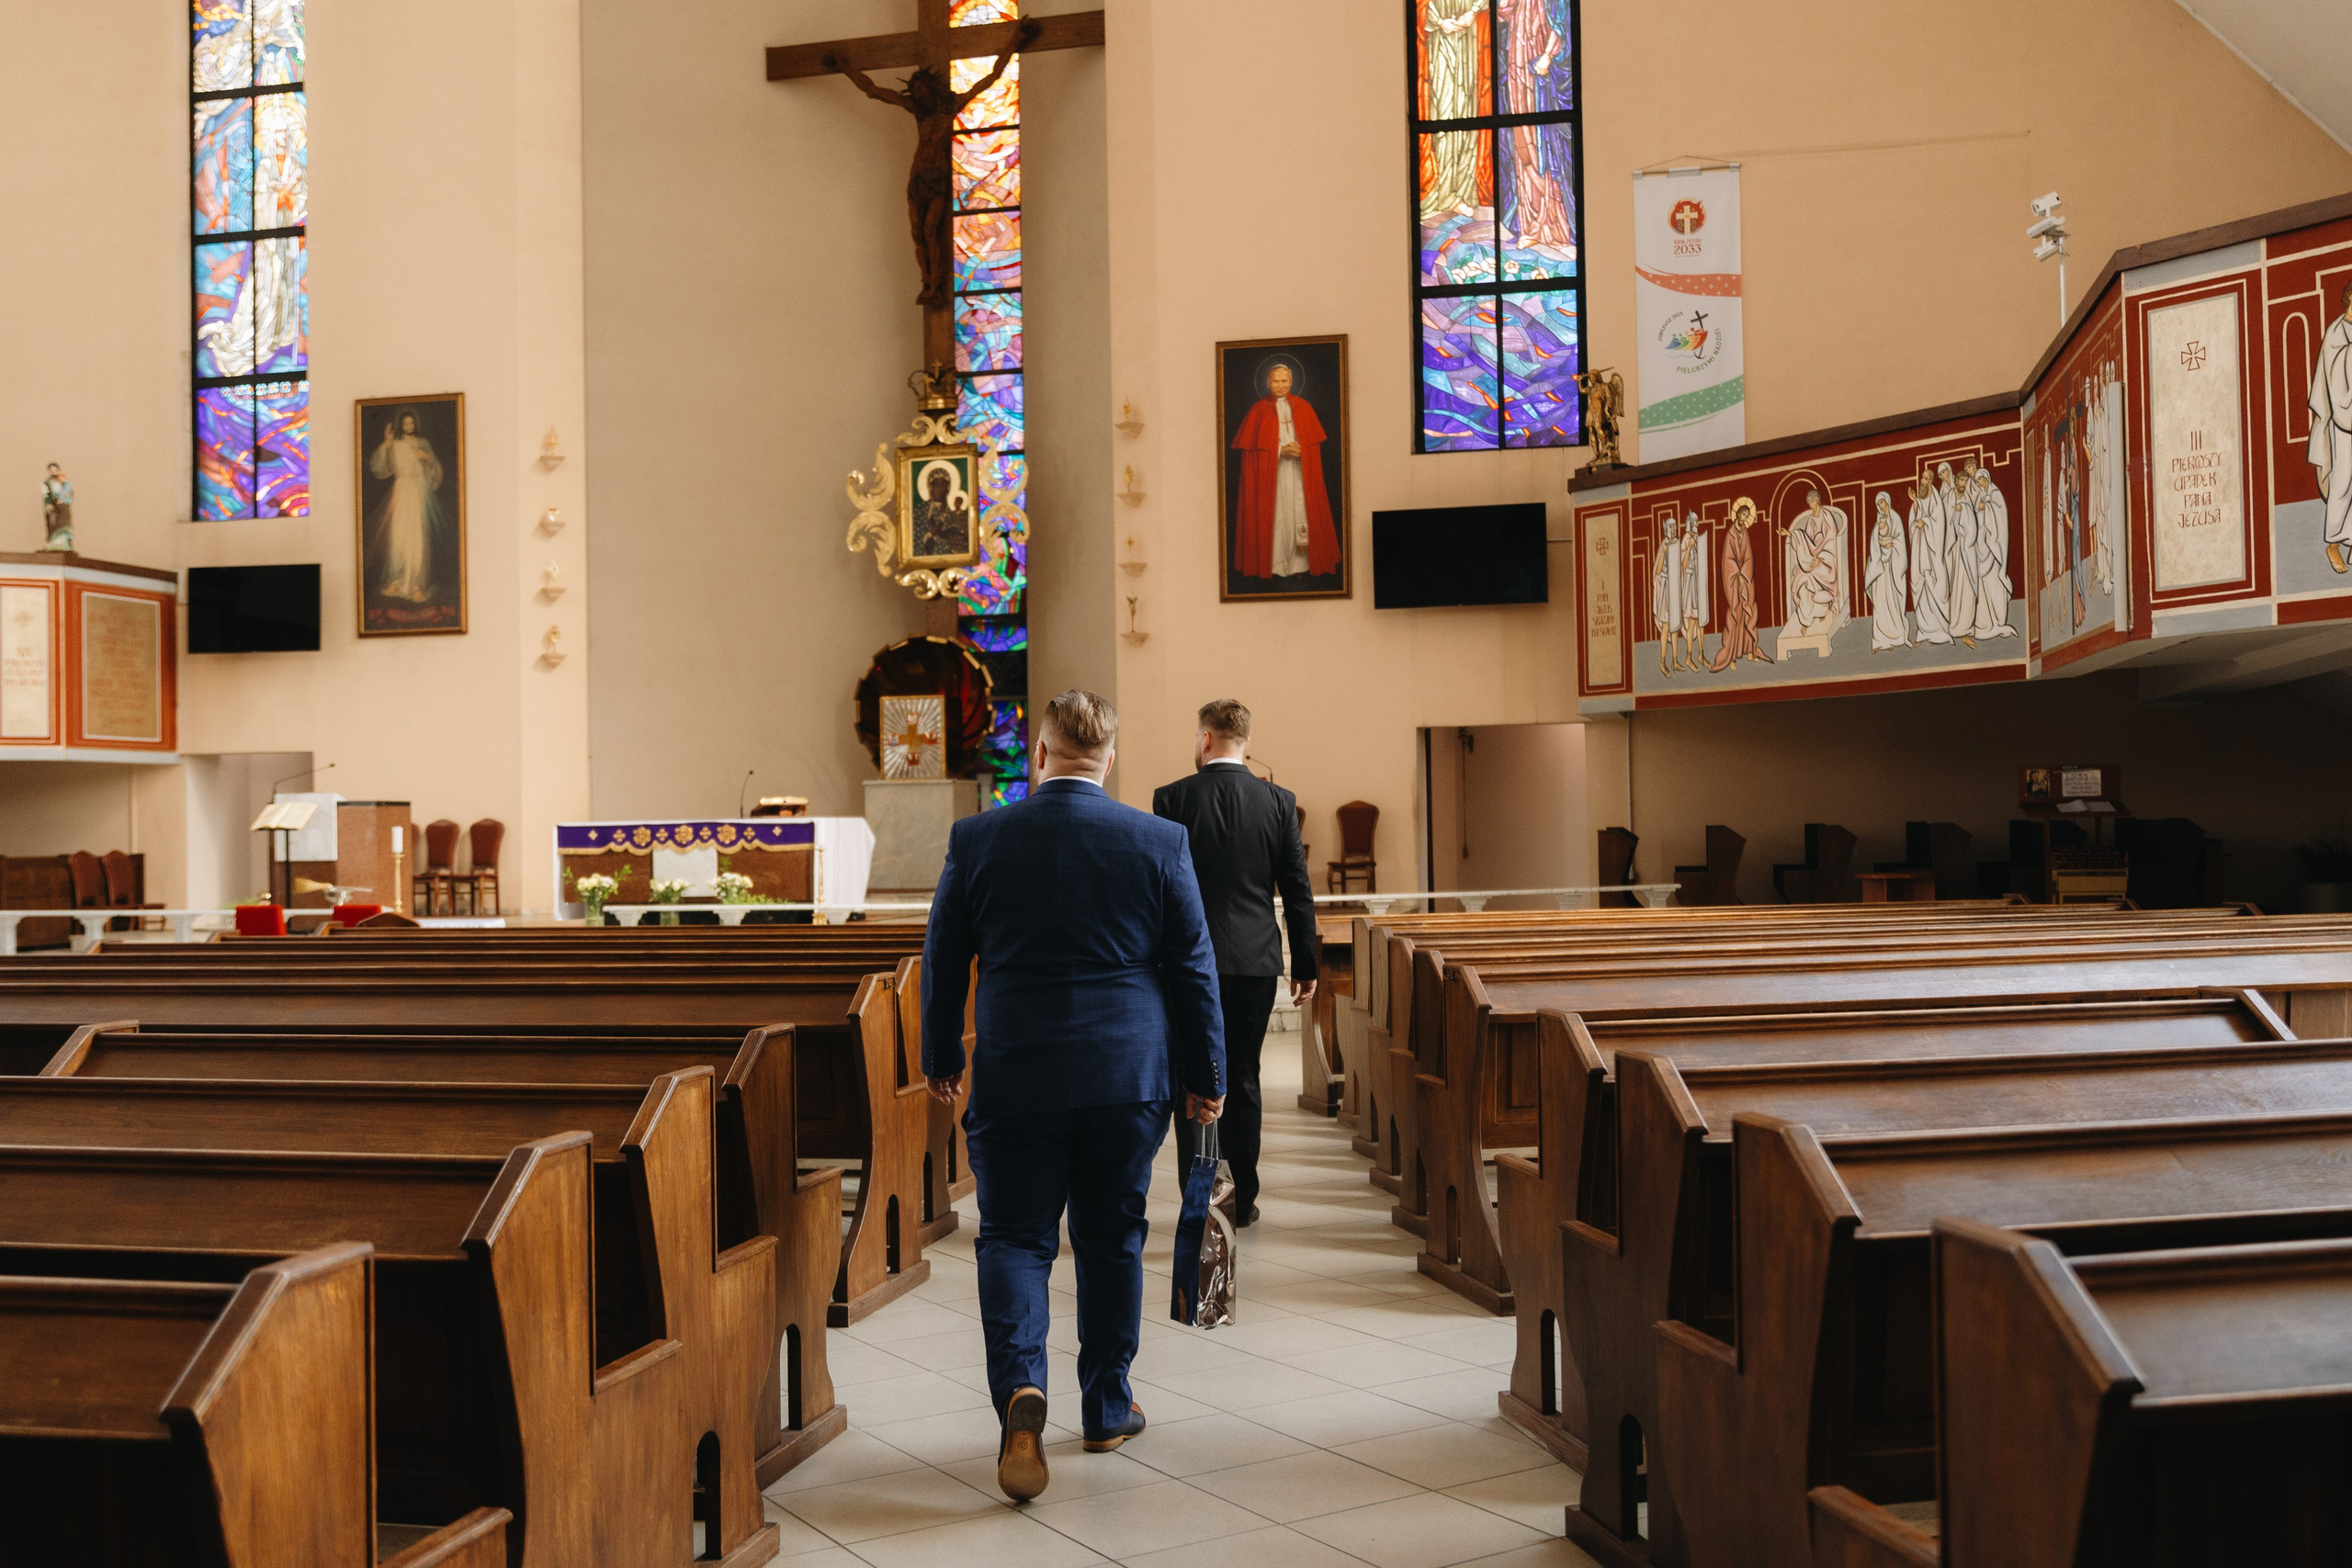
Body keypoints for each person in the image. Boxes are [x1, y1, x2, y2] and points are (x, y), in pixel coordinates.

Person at [922, 689, 1226, 1504]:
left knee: (1015, 1236)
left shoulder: (980, 837)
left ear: (1041, 753)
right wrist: (1208, 1076)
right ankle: (1106, 1404)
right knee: (1112, 1233)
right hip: (1126, 1073)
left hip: (1017, 1068)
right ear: (1110, 759)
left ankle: (1022, 1389)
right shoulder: (1158, 839)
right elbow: (1193, 966)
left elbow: (943, 953)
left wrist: (941, 1054)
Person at [1151, 699, 1318, 1228]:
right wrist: (1306, 963)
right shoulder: (1278, 802)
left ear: (1205, 739)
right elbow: (1297, 890)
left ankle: (1200, 1204)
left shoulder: (1172, 798)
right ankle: (1242, 1203)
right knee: (1243, 1076)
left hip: (1187, 965)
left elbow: (1159, 891)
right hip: (1254, 962)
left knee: (1192, 1078)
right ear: (1247, 742)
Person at [1230, 361, 1342, 581]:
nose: (1280, 385)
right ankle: (1275, 565)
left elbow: (1312, 446)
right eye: (1275, 381)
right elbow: (1252, 452)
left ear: (1291, 382)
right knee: (1277, 516)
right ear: (1267, 383)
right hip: (1273, 477)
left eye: (1284, 381)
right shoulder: (1258, 409)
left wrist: (1302, 452)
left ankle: (1301, 564)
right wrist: (1280, 450)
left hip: (1299, 474)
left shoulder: (1304, 407)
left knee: (1300, 513)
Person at [367, 411, 448, 604]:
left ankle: (416, 585)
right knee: (399, 536)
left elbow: (435, 471)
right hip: (401, 490)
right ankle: (397, 580)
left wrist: (427, 457)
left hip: (417, 491)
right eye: (406, 423)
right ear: (401, 425)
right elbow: (381, 467)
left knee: (416, 537)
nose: (409, 426)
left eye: (412, 423)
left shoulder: (422, 443)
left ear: (415, 425)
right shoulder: (395, 444)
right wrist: (387, 444)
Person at [2312, 280, 2352, 574]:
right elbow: (2334, 375)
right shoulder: (2336, 332)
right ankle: (2334, 544)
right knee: (2343, 482)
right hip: (2343, 421)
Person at [910, 462, 971, 558]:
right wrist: (928, 534)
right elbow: (912, 537)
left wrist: (944, 535)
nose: (939, 488)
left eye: (943, 484)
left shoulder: (954, 514)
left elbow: (963, 539)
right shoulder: (919, 511)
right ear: (930, 487)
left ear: (948, 488)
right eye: (936, 484)